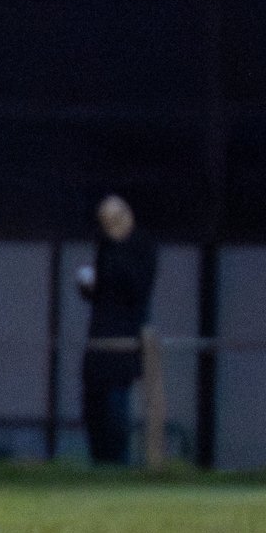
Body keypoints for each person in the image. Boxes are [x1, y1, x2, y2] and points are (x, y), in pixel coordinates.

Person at [77, 193, 158, 466]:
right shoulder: (104, 245)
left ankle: (117, 464)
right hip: (98, 336)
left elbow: (138, 289)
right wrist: (89, 285)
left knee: (115, 407)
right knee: (93, 404)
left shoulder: (141, 245)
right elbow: (102, 291)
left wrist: (116, 257)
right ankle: (98, 461)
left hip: (124, 338)